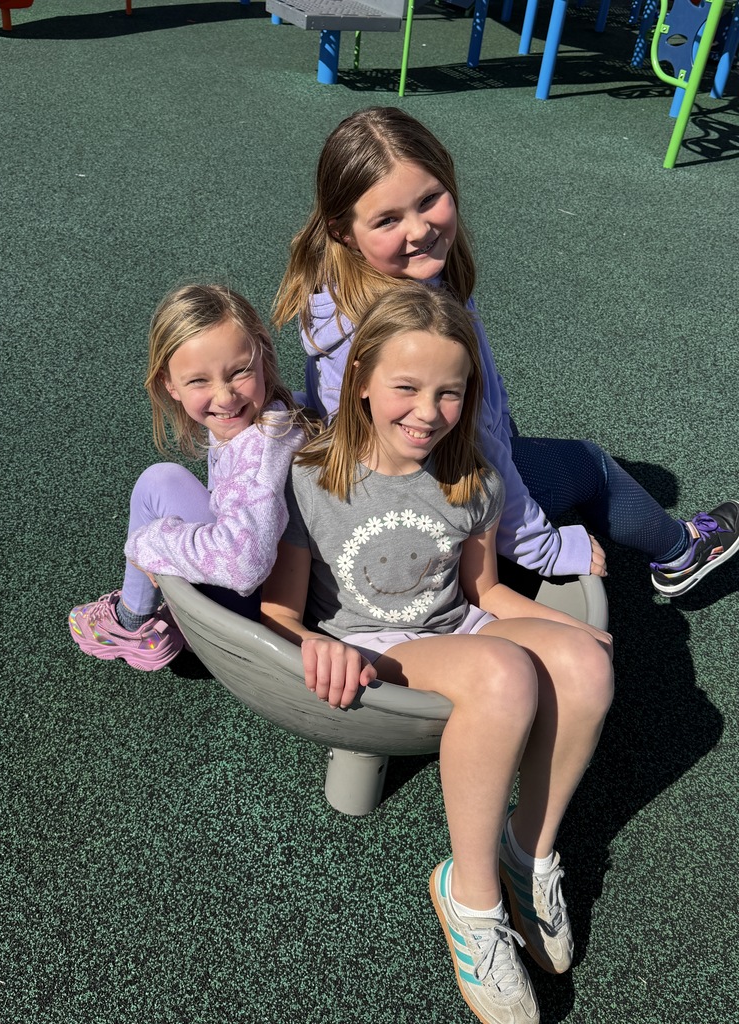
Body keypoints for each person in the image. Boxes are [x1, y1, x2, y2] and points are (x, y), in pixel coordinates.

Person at [261, 284, 615, 1024]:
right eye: (406, 387)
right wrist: (309, 645)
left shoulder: (472, 475)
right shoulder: (310, 477)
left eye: (449, 393)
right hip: (372, 642)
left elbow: (484, 592)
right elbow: (280, 610)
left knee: (585, 667)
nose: (427, 412)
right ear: (359, 380)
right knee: (503, 672)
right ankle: (472, 899)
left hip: (455, 626)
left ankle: (529, 854)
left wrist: (572, 635)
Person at [273, 105, 739, 598]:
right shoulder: (417, 324)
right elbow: (477, 454)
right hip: (436, 502)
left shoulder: (339, 295)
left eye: (429, 200)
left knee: (509, 435)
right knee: (589, 464)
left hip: (387, 489)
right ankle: (681, 552)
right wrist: (542, 546)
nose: (419, 230)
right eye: (388, 219)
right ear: (343, 230)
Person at [69, 283, 314, 671]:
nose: (225, 396)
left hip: (260, 605)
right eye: (199, 381)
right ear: (171, 385)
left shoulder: (261, 449)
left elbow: (244, 563)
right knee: (166, 488)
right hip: (276, 583)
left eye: (239, 372)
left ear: (263, 357)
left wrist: (150, 544)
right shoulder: (273, 413)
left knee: (158, 483)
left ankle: (133, 624)